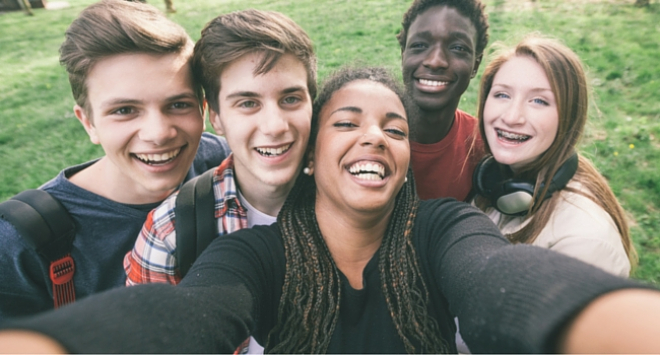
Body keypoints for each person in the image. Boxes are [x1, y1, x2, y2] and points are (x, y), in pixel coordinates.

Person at [1, 67, 658, 354]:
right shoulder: (253, 253)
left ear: (404, 162)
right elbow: (189, 314)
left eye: (394, 129)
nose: (374, 136)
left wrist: (620, 323)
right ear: (311, 156)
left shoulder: (444, 227)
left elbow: (498, 279)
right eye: (347, 121)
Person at [0, 0, 230, 319]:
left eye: (178, 104)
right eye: (124, 110)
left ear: (203, 110)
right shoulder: (22, 242)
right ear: (88, 122)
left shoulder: (222, 164)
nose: (158, 133)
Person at [122, 9, 316, 353]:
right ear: (216, 117)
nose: (274, 125)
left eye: (290, 98)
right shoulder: (171, 233)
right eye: (247, 103)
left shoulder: (355, 201)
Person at [472, 35, 637, 277]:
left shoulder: (584, 242)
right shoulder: (495, 182)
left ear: (567, 118)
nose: (511, 116)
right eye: (502, 95)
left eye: (539, 101)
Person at [398, 0, 489, 201]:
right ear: (403, 54)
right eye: (420, 45)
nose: (436, 61)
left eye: (458, 48)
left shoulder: (483, 146)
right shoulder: (365, 134)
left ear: (476, 64)